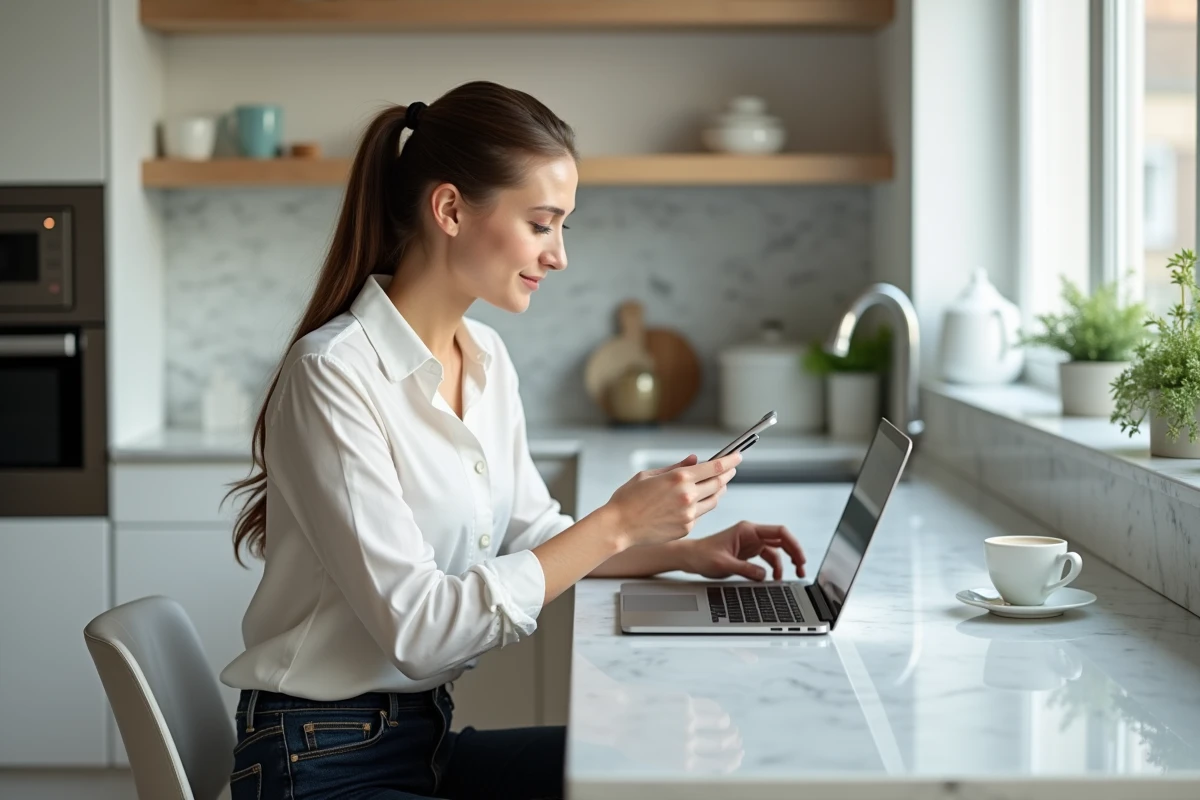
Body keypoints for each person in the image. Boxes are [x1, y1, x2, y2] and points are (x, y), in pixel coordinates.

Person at [220, 80, 807, 800]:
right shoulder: (333, 374)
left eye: (564, 226)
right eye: (541, 223)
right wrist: (620, 521)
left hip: (423, 741)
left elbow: (535, 537)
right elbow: (421, 633)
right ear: (450, 209)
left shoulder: (488, 357)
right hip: (317, 761)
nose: (558, 255)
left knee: (663, 772)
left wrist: (680, 551)